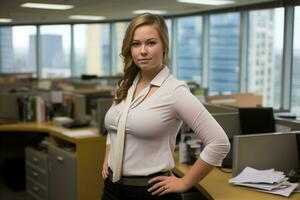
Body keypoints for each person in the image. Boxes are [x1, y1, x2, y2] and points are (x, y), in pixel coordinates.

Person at [101, 12, 230, 200]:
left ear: (164, 47)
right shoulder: (125, 85)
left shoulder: (175, 91)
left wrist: (185, 182)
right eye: (136, 44)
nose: (142, 51)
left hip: (151, 192)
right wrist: (108, 159)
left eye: (151, 43)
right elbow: (115, 127)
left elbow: (219, 142)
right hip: (111, 189)